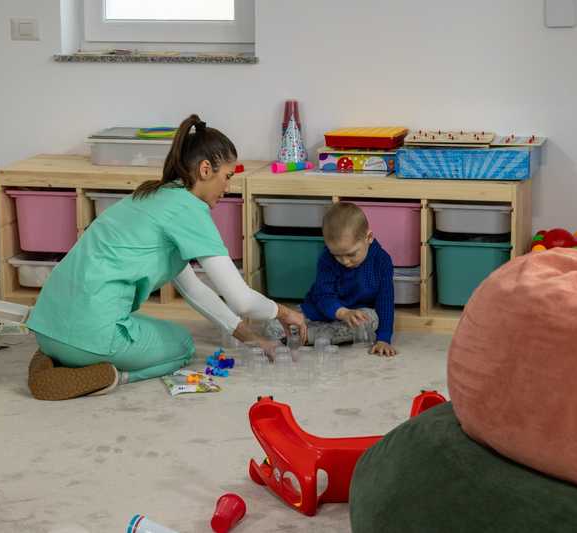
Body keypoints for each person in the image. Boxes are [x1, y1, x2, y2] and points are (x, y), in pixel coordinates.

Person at [26, 114, 306, 398]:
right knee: (183, 345)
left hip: (47, 327)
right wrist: (285, 313)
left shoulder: (153, 196)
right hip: (92, 334)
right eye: (228, 177)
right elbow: (242, 300)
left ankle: (57, 358)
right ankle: (108, 375)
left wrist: (252, 339)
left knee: (120, 333)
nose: (228, 187)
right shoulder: (189, 210)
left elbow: (194, 289)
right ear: (206, 170)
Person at [267, 202, 398, 356]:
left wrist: (383, 339)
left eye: (351, 254)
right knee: (272, 326)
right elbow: (323, 296)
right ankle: (307, 335)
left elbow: (385, 301)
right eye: (337, 255)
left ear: (368, 237)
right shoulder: (327, 259)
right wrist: (342, 313)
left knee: (372, 319)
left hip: (355, 314)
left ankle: (307, 337)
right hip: (320, 310)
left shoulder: (382, 261)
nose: (345, 261)